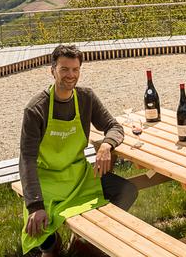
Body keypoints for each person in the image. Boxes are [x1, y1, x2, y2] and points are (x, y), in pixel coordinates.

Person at [19, 45, 137, 256]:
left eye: (75, 69)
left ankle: (87, 243)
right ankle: (52, 247)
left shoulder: (85, 98)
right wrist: (35, 206)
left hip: (79, 177)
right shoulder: (36, 108)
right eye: (64, 69)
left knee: (127, 190)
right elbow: (26, 159)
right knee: (40, 225)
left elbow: (115, 127)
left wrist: (107, 146)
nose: (70, 75)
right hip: (48, 180)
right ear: (52, 70)